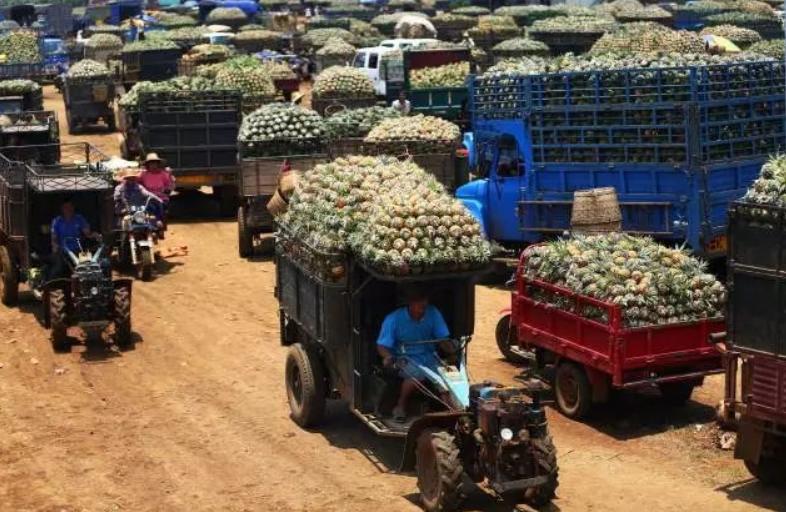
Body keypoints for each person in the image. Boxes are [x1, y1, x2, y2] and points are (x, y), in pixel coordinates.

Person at [376, 289, 450, 422]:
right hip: (405, 358)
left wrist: (452, 352)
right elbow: (382, 346)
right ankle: (400, 406)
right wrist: (388, 357)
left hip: (430, 357)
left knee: (447, 377)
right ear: (410, 303)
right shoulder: (393, 319)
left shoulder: (433, 313)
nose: (423, 305)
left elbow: (443, 339)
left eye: (424, 301)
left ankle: (452, 411)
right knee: (417, 373)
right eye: (418, 301)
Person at [48, 197, 97, 281]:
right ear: (62, 209)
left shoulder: (79, 218)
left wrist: (95, 235)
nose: (68, 209)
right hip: (63, 251)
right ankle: (51, 284)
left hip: (78, 250)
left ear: (73, 207)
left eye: (70, 207)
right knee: (58, 269)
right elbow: (54, 238)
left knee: (88, 268)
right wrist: (55, 247)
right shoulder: (57, 221)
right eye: (66, 207)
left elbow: (88, 233)